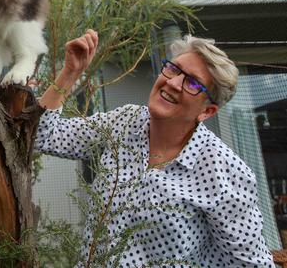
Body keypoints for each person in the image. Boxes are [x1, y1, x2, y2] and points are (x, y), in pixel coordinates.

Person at [35, 29, 275, 267]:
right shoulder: (123, 123)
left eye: (192, 82)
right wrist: (70, 72)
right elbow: (41, 136)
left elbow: (252, 264)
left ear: (207, 111)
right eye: (173, 69)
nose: (173, 83)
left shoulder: (223, 171)